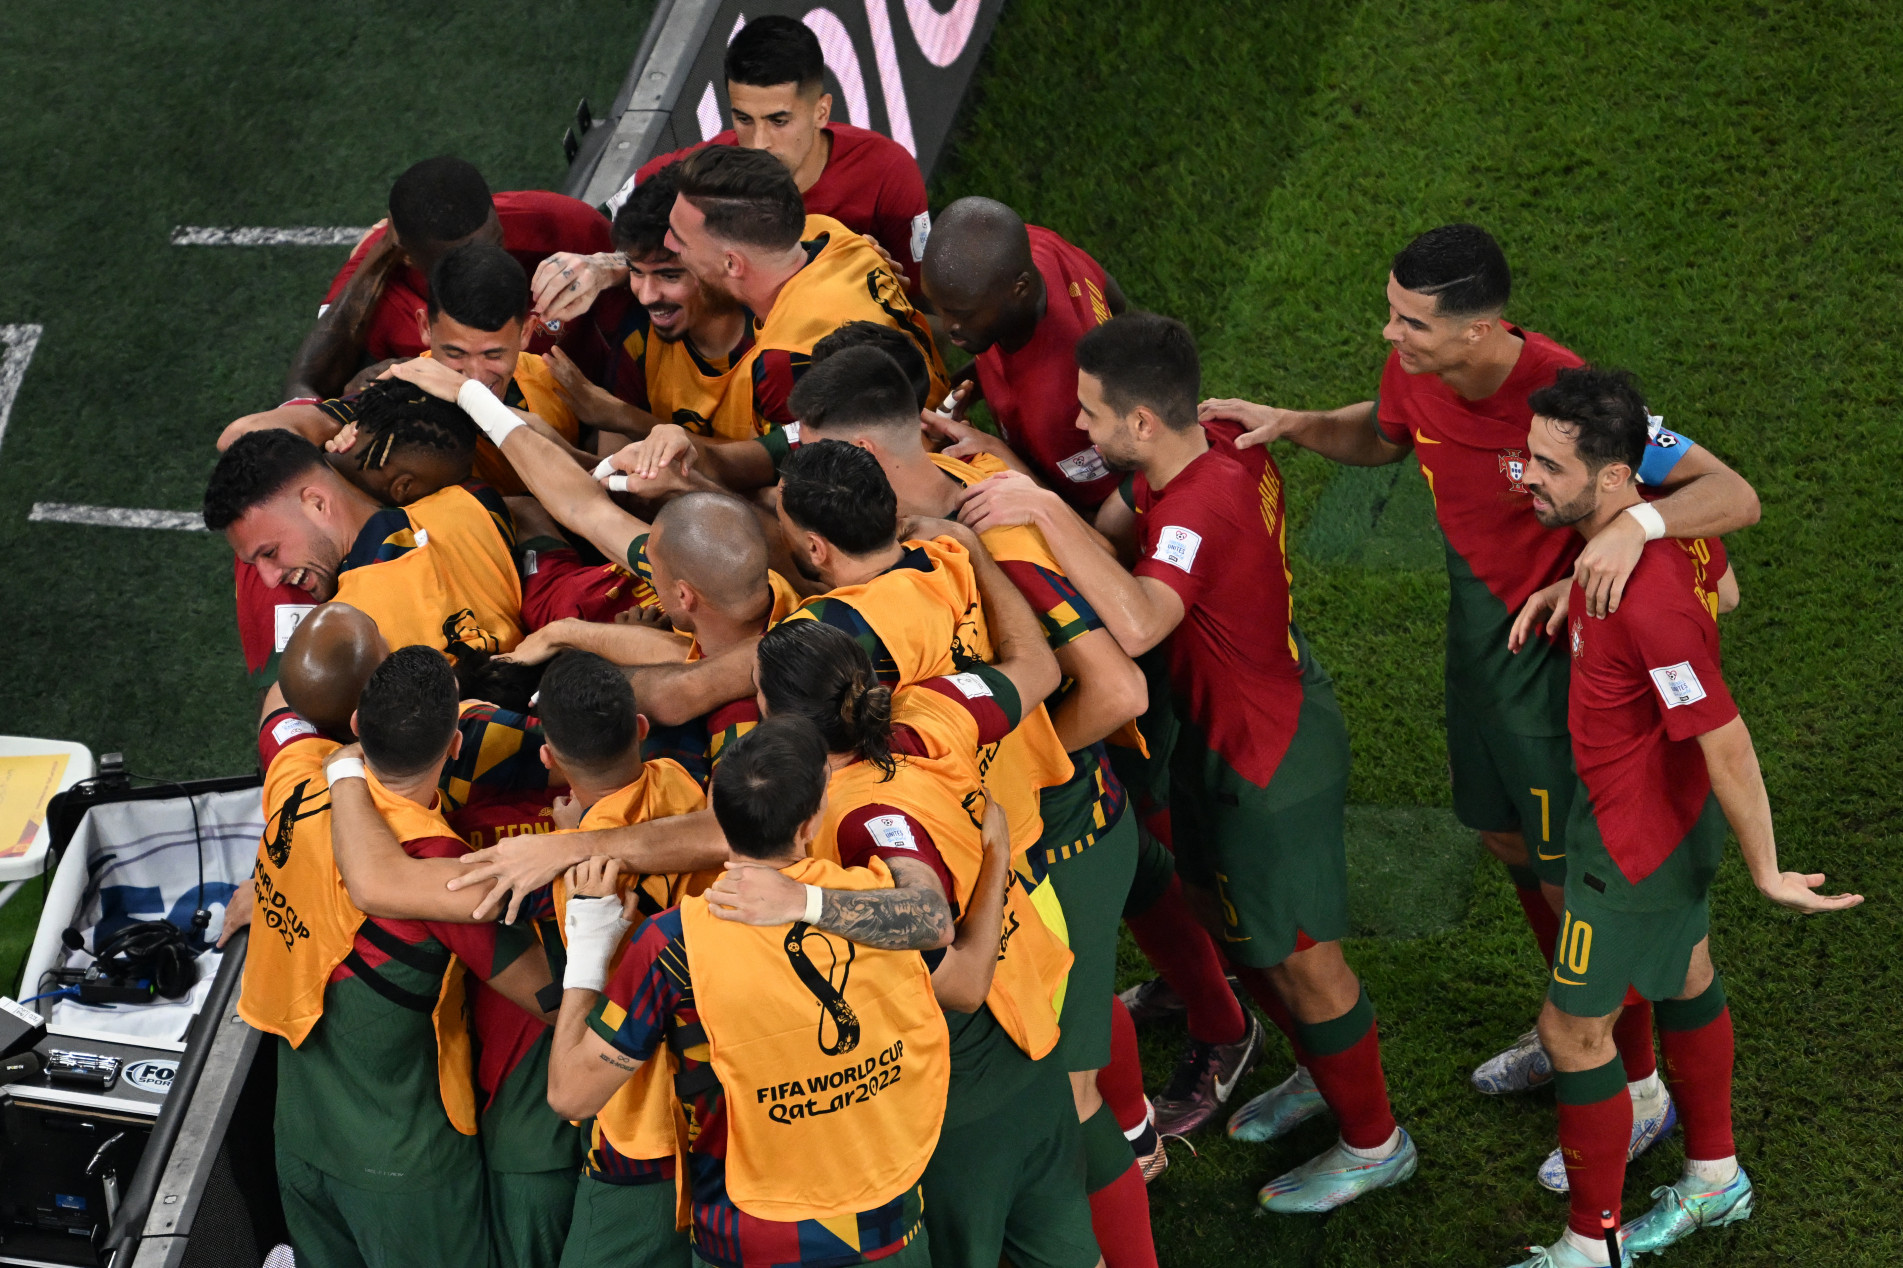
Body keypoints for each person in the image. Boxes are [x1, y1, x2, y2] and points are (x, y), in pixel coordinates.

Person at [1197, 224, 1763, 1177]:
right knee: (1506, 842)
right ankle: (1570, 1027)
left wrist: (1631, 530)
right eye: (1391, 313)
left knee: (1568, 876)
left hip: (1554, 673)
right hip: (1479, 652)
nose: (1390, 334)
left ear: (1480, 329)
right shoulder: (1415, 372)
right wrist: (1294, 422)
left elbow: (1730, 493)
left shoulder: (1563, 399)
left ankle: (1630, 1082)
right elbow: (1383, 436)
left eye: (1410, 322)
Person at [963, 312, 1416, 1213]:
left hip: (1267, 757)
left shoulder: (1200, 504)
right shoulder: (1192, 450)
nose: (1077, 427)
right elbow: (1106, 541)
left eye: (1091, 413)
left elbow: (1136, 622)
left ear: (1141, 421)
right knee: (1231, 924)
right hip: (1221, 737)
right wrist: (1010, 473)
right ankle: (1320, 1075)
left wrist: (1038, 508)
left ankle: (1375, 1143)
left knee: (1306, 963)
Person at [788, 347, 1171, 1253]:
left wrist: (989, 761)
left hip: (1057, 834)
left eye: (815, 454)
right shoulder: (957, 499)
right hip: (1043, 830)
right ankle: (1142, 1128)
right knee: (1068, 1013)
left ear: (865, 460)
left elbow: (1117, 692)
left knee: (1065, 1096)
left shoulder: (982, 533)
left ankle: (1128, 1188)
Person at [1503, 365, 1859, 1268]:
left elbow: (1724, 740)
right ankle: (1713, 1178)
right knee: (1687, 978)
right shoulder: (1658, 540)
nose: (1525, 476)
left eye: (1546, 465)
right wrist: (1587, 578)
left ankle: (1589, 1245)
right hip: (1658, 814)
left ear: (1614, 477)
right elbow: (1724, 594)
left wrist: (1767, 870)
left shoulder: (1644, 595)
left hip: (1631, 842)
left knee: (1572, 1033)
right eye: (1528, 456)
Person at [545, 716, 954, 1268]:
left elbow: (571, 1095)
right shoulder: (877, 902)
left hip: (748, 1238)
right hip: (886, 1222)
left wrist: (589, 947)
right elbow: (930, 914)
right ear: (811, 821)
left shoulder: (673, 943)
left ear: (716, 813)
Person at [238, 643, 555, 1268]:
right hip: (406, 1167)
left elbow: (282, 696)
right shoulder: (437, 871)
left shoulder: (297, 774)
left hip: (299, 1136)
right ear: (455, 745)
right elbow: (553, 999)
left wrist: (357, 673)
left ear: (357, 722)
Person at [577, 16, 931, 297]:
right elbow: (595, 228)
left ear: (821, 112)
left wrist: (892, 294)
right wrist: (607, 265)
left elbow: (933, 310)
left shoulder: (887, 171)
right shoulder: (704, 171)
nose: (759, 144)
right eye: (744, 119)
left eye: (779, 121)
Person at [232, 243, 594, 496]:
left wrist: (608, 418)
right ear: (425, 328)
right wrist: (329, 448)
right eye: (454, 353)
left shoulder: (551, 378)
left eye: (493, 354)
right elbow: (239, 433)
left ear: (527, 333)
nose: (474, 375)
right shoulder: (395, 402)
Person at [663, 145, 947, 436]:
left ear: (732, 264)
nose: (667, 243)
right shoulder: (831, 233)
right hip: (940, 412)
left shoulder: (786, 360)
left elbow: (802, 462)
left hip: (926, 452)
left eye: (680, 240)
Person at [224, 378, 482, 686]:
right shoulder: (287, 563)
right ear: (403, 487)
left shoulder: (337, 515)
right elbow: (289, 699)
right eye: (439, 489)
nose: (438, 498)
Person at [286, 155, 609, 401]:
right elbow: (304, 394)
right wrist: (384, 246)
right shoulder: (373, 285)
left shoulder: (559, 224)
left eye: (496, 243)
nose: (485, 266)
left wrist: (609, 267)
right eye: (456, 264)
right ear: (407, 255)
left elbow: (638, 265)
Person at [204, 427, 524, 658]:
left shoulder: (346, 639)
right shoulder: (473, 502)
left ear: (317, 503)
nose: (269, 579)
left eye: (270, 552)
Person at [920, 197, 1127, 508]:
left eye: (962, 313)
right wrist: (959, 390)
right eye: (939, 307)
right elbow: (1115, 298)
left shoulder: (1067, 406)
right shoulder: (1033, 246)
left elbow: (1081, 507)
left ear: (1019, 288)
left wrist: (994, 451)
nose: (949, 327)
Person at [549, 164, 753, 435]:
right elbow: (613, 458)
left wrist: (625, 417)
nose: (647, 297)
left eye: (669, 276)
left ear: (724, 263)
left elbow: (781, 457)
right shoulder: (639, 342)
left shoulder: (775, 336)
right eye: (635, 272)